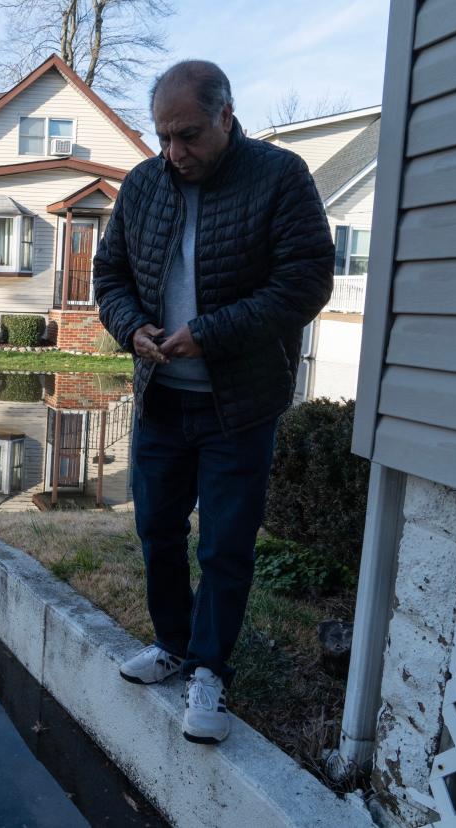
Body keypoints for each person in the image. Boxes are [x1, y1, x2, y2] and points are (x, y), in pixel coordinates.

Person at [92, 60, 334, 745]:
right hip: (163, 401)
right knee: (158, 534)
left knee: (225, 546)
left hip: (240, 406)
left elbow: (306, 280)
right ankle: (173, 644)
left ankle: (210, 672)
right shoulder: (142, 185)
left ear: (226, 116)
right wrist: (128, 324)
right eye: (164, 136)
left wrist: (211, 333)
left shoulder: (279, 176)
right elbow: (108, 274)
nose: (175, 152)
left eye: (189, 134)